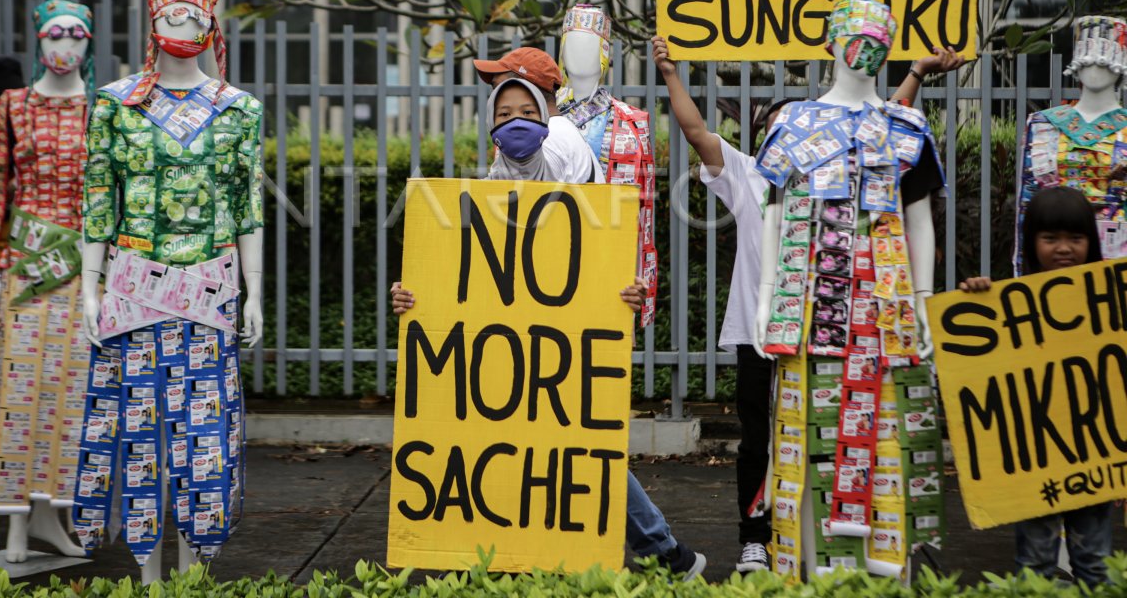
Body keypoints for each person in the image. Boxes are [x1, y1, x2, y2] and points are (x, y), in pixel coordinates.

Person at [651, 34, 962, 573]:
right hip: (757, 330)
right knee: (759, 438)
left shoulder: (838, 164)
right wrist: (671, 73)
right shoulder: (745, 173)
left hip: (821, 326)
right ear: (762, 137)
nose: (792, 134)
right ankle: (754, 536)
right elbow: (696, 130)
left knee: (827, 427)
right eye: (778, 124)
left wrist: (914, 72)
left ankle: (830, 536)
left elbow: (881, 127)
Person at [391, 73, 706, 580]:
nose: (515, 121)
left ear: (547, 117)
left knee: (580, 444)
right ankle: (653, 554)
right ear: (489, 126)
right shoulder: (488, 189)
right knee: (556, 446)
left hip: (555, 347)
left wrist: (622, 295)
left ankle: (663, 552)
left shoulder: (569, 164)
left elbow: (597, 262)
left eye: (527, 111)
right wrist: (412, 298)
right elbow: (455, 273)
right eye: (502, 113)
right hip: (507, 346)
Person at [958, 185, 1111, 587]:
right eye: (1051, 238)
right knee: (1036, 563)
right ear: (1032, 244)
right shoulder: (1010, 304)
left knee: (1096, 563)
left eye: (1075, 238)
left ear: (1091, 244)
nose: (1064, 248)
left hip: (1093, 455)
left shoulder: (1109, 303)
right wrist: (977, 299)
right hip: (1036, 461)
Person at [473, 47, 603, 184]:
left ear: (525, 88)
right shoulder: (554, 130)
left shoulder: (549, 137)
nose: (495, 96)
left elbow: (527, 199)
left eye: (498, 88)